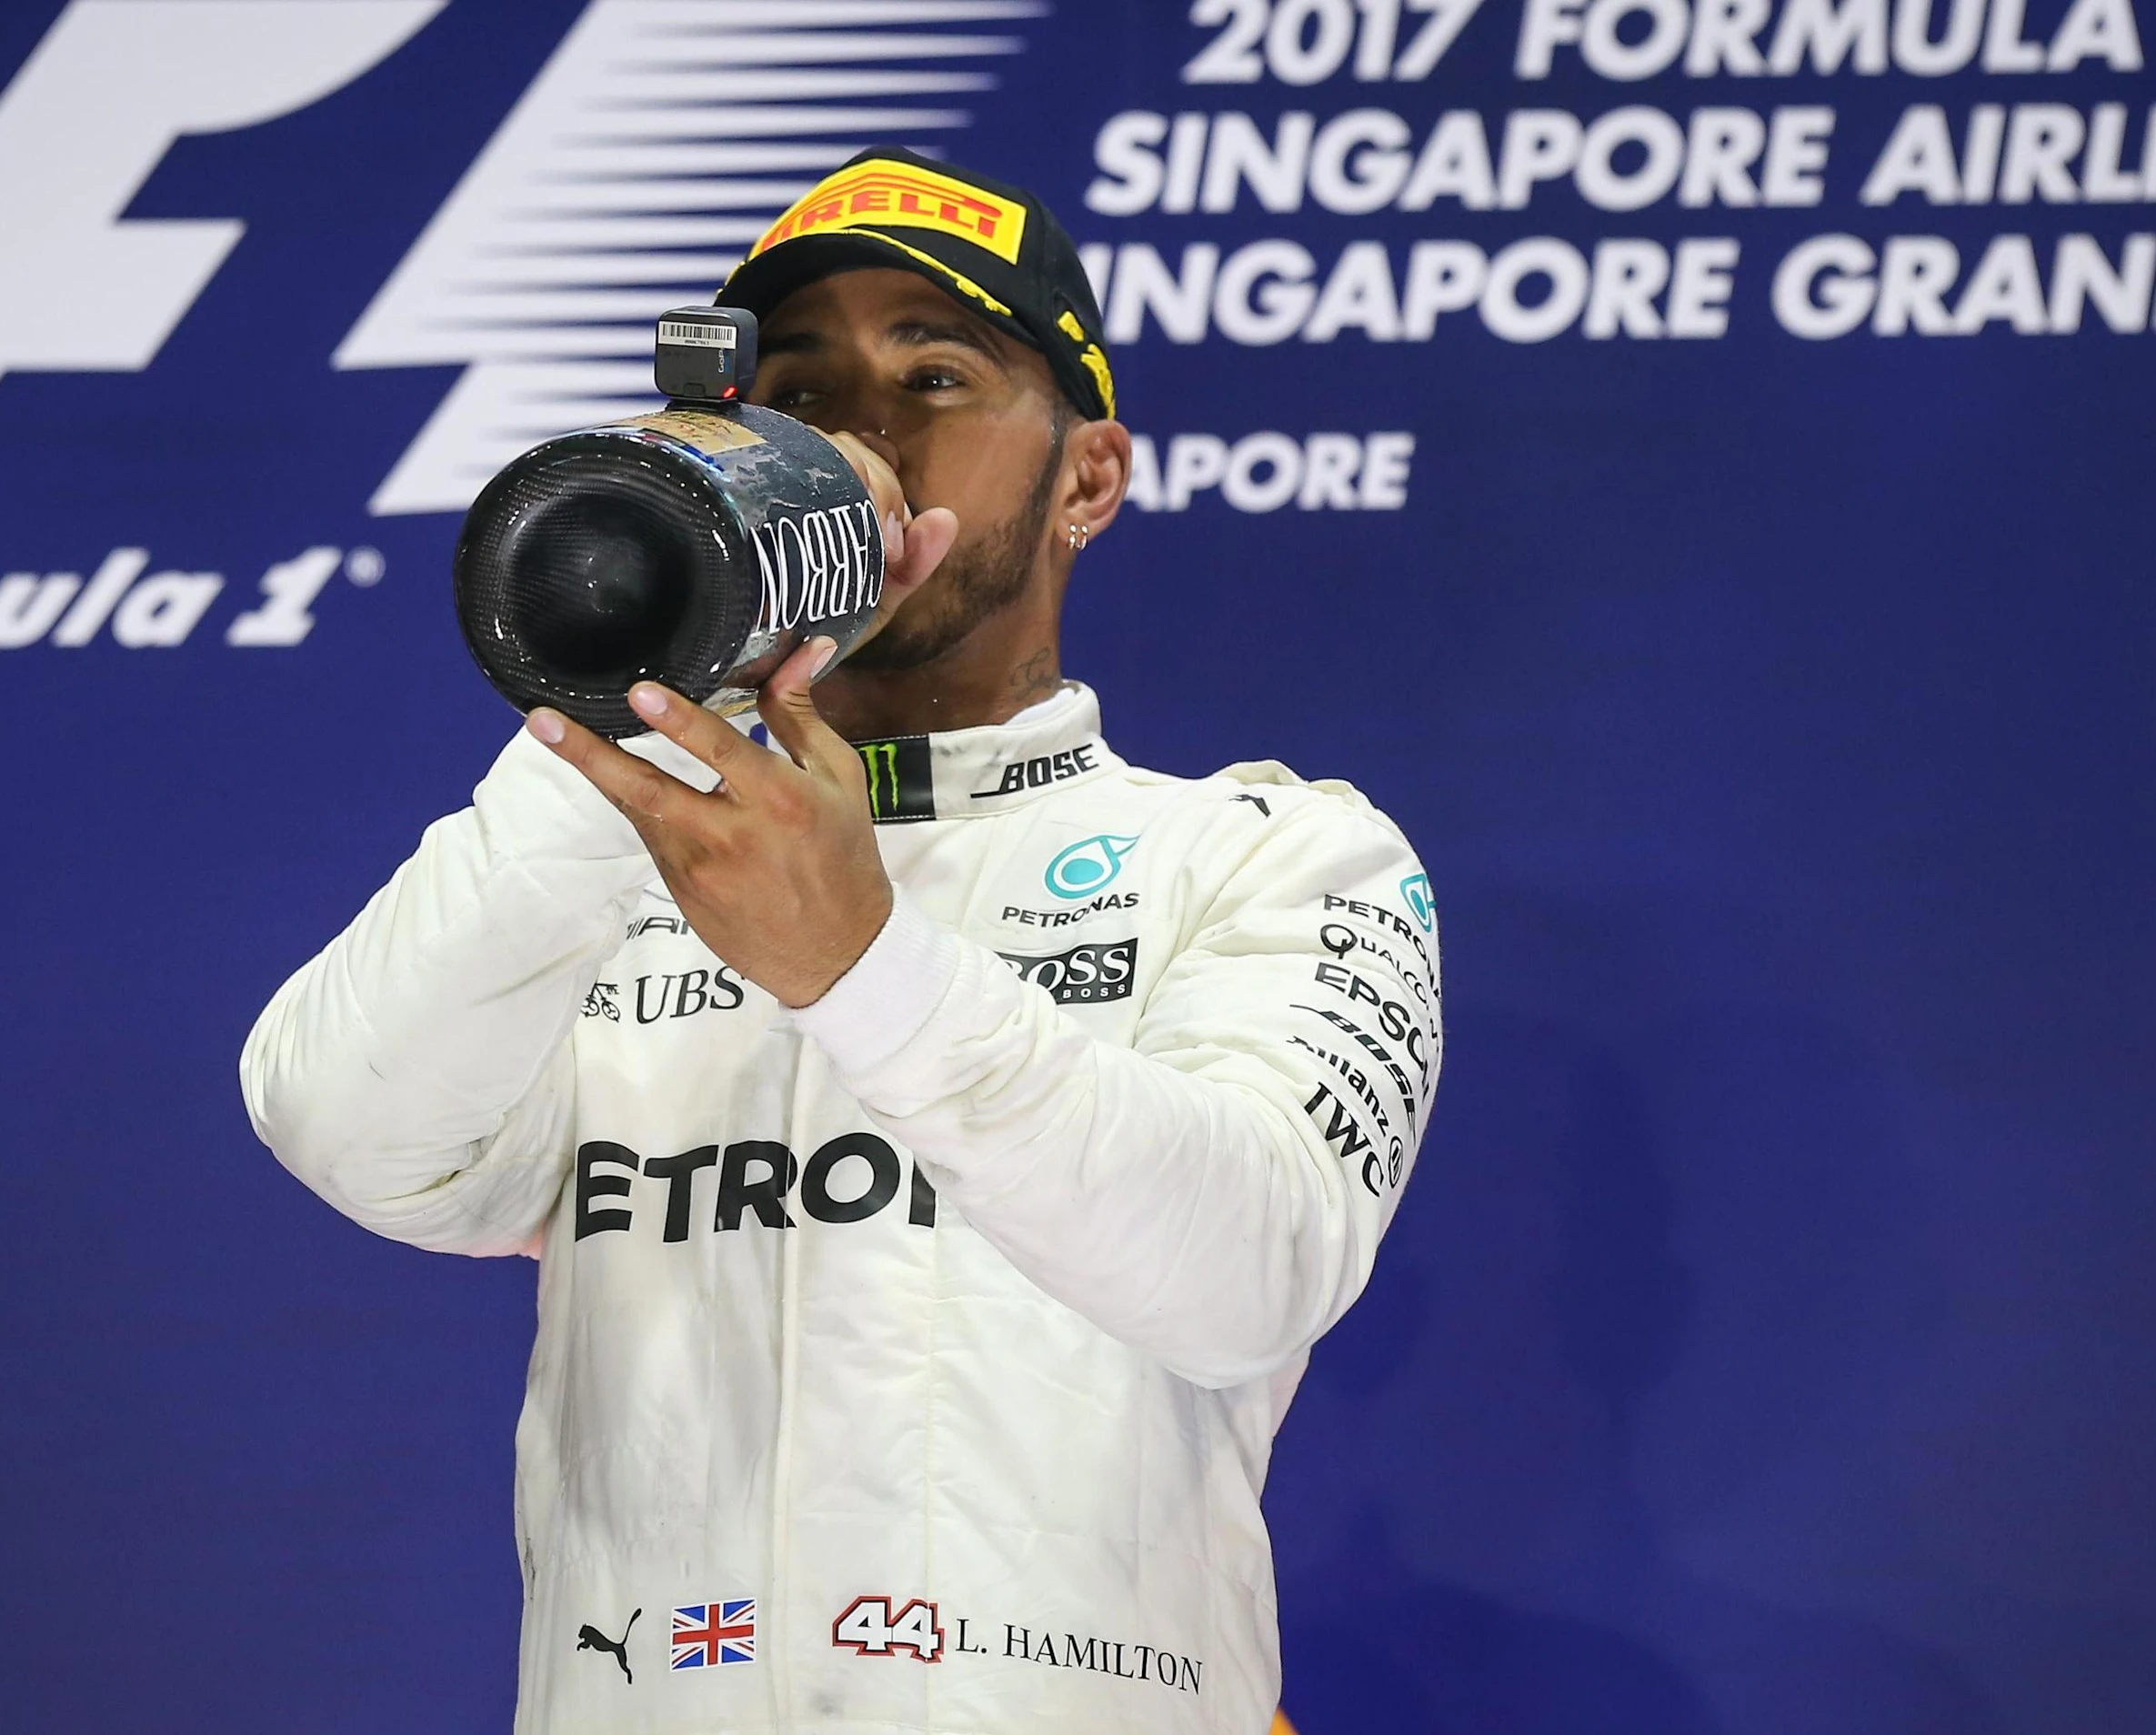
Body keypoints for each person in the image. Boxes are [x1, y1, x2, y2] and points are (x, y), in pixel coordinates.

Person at [242, 146, 1443, 1735]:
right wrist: (631, 709)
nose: (857, 437)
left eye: (933, 377)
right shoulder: (600, 855)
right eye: (797, 392)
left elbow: (1247, 1274)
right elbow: (352, 1134)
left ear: (1088, 479)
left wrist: (866, 971)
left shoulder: (1267, 855)